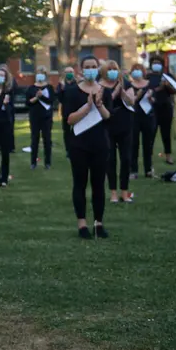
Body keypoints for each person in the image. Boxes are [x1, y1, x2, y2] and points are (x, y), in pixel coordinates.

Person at [63, 55, 112, 239]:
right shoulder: (72, 92)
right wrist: (87, 106)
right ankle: (82, 224)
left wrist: (98, 105)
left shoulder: (104, 91)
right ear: (81, 70)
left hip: (100, 144)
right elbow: (69, 119)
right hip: (79, 145)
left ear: (98, 69)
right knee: (80, 183)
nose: (91, 69)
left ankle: (98, 223)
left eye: (94, 66)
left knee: (99, 185)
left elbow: (108, 117)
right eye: (87, 66)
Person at [99, 61, 135, 203]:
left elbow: (131, 101)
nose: (113, 71)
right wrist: (114, 92)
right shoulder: (100, 85)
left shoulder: (125, 83)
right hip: (108, 126)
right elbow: (104, 103)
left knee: (126, 158)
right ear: (104, 71)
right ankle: (113, 192)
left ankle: (124, 191)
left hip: (125, 125)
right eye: (110, 69)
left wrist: (123, 92)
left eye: (115, 69)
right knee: (110, 159)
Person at [147, 56, 176, 164]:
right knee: (151, 133)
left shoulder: (168, 76)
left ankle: (168, 156)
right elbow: (146, 91)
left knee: (166, 133)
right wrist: (158, 88)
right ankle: (148, 157)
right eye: (154, 62)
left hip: (166, 107)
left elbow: (175, 90)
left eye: (158, 62)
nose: (156, 64)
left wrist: (168, 86)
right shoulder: (148, 77)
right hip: (152, 107)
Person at [27, 66, 55, 169]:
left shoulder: (49, 87)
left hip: (46, 117)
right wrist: (36, 97)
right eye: (39, 72)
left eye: (42, 73)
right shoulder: (31, 88)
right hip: (34, 117)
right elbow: (28, 102)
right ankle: (33, 162)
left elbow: (51, 101)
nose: (40, 75)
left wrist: (42, 96)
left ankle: (47, 162)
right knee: (34, 139)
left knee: (47, 139)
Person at [130, 64, 155, 179]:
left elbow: (155, 100)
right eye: (134, 70)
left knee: (148, 144)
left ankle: (148, 169)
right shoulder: (129, 86)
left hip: (148, 116)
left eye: (138, 70)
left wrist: (151, 98)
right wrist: (137, 95)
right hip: (134, 117)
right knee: (134, 144)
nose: (136, 72)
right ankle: (133, 170)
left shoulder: (149, 84)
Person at [56, 66, 77, 158]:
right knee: (67, 132)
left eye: (71, 71)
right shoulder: (61, 85)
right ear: (64, 73)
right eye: (67, 72)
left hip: (76, 111)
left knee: (76, 131)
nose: (69, 73)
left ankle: (77, 148)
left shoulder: (77, 83)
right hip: (66, 112)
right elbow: (59, 98)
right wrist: (62, 89)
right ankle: (68, 150)